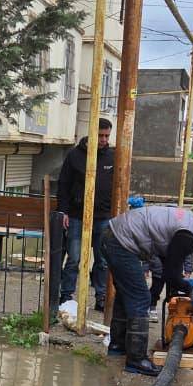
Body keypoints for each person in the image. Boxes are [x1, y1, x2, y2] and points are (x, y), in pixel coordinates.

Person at [98, 205, 193, 376]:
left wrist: (182, 281)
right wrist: (191, 290)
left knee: (127, 294)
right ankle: (136, 360)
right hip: (120, 241)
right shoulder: (188, 237)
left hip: (114, 234)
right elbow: (170, 274)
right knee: (140, 298)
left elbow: (169, 262)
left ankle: (118, 346)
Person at [56, 118, 115, 310]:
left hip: (103, 217)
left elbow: (118, 186)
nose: (104, 140)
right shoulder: (74, 155)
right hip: (76, 215)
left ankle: (101, 297)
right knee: (74, 258)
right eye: (100, 135)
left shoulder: (112, 157)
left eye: (107, 136)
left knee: (102, 260)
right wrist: (63, 210)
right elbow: (63, 185)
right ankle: (66, 296)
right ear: (91, 133)